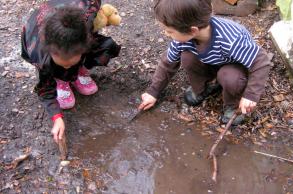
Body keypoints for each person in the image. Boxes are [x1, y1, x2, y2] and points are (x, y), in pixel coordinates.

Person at [138, 0, 272, 124]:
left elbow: (260, 61)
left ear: (192, 30)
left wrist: (251, 96)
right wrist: (153, 92)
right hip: (211, 61)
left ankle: (233, 105)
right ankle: (204, 87)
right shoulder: (182, 40)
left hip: (234, 66)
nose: (166, 34)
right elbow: (168, 63)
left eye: (169, 31)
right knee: (187, 58)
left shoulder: (230, 39)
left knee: (230, 77)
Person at [21, 0, 121, 143]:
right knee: (54, 70)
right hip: (39, 36)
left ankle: (79, 70)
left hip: (77, 27)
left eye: (72, 63)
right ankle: (60, 79)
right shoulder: (40, 54)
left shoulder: (89, 13)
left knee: (108, 46)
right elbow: (45, 90)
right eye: (63, 64)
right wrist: (57, 117)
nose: (67, 66)